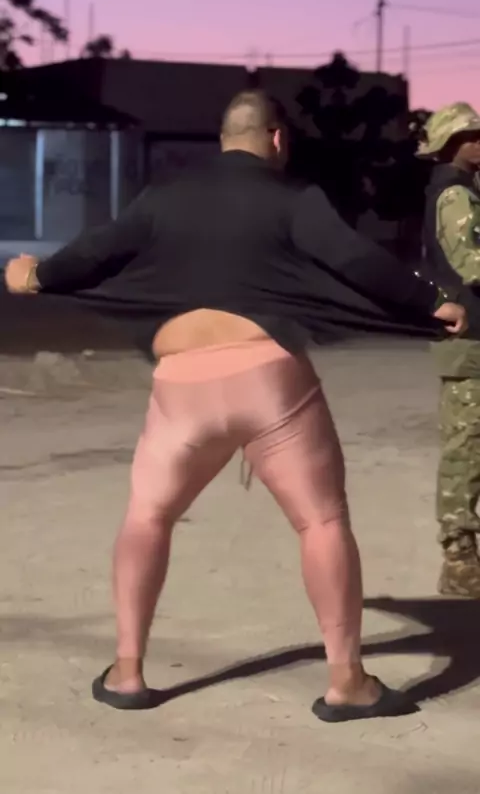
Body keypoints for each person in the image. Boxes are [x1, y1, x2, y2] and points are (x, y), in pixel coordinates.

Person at [5, 90, 466, 722]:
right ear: (277, 139)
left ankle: (128, 673)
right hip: (270, 381)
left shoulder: (163, 198)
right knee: (321, 523)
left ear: (223, 139)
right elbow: (356, 259)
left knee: (148, 517)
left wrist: (35, 275)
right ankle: (347, 682)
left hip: (182, 385)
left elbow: (94, 253)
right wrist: (430, 303)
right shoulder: (293, 198)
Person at [418, 103, 480, 597]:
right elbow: (472, 264)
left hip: (471, 340)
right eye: (471, 135)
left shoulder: (461, 189)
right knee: (466, 452)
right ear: (451, 145)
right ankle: (459, 561)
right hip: (469, 343)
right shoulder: (455, 193)